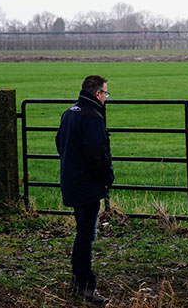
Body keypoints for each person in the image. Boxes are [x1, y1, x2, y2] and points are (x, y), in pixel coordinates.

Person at [55, 75, 114, 304]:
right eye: (106, 93)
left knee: (83, 232)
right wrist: (107, 177)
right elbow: (96, 152)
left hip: (71, 181)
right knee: (86, 234)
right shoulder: (92, 116)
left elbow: (59, 142)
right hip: (87, 185)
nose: (106, 97)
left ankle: (77, 277)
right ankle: (85, 284)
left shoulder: (70, 112)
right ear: (98, 94)